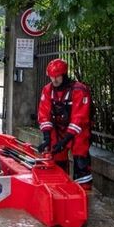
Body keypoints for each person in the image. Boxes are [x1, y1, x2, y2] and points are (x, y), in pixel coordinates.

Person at [37, 58, 93, 190]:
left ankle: (83, 190)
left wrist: (66, 140)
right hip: (58, 128)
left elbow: (80, 118)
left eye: (57, 77)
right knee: (55, 156)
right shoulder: (47, 90)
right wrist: (46, 138)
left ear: (64, 75)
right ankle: (61, 186)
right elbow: (44, 114)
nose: (54, 80)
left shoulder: (79, 90)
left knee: (80, 154)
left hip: (78, 130)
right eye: (51, 77)